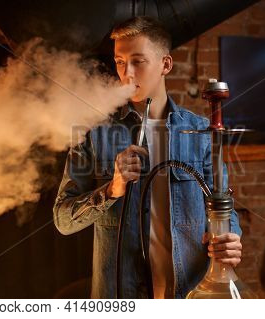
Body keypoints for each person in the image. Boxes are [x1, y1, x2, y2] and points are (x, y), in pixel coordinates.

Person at [53, 16, 242, 299]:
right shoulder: (92, 133)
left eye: (137, 61)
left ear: (165, 64)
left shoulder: (201, 132)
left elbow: (223, 206)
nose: (126, 73)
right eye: (119, 61)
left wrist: (232, 238)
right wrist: (112, 189)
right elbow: (62, 220)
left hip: (190, 295)